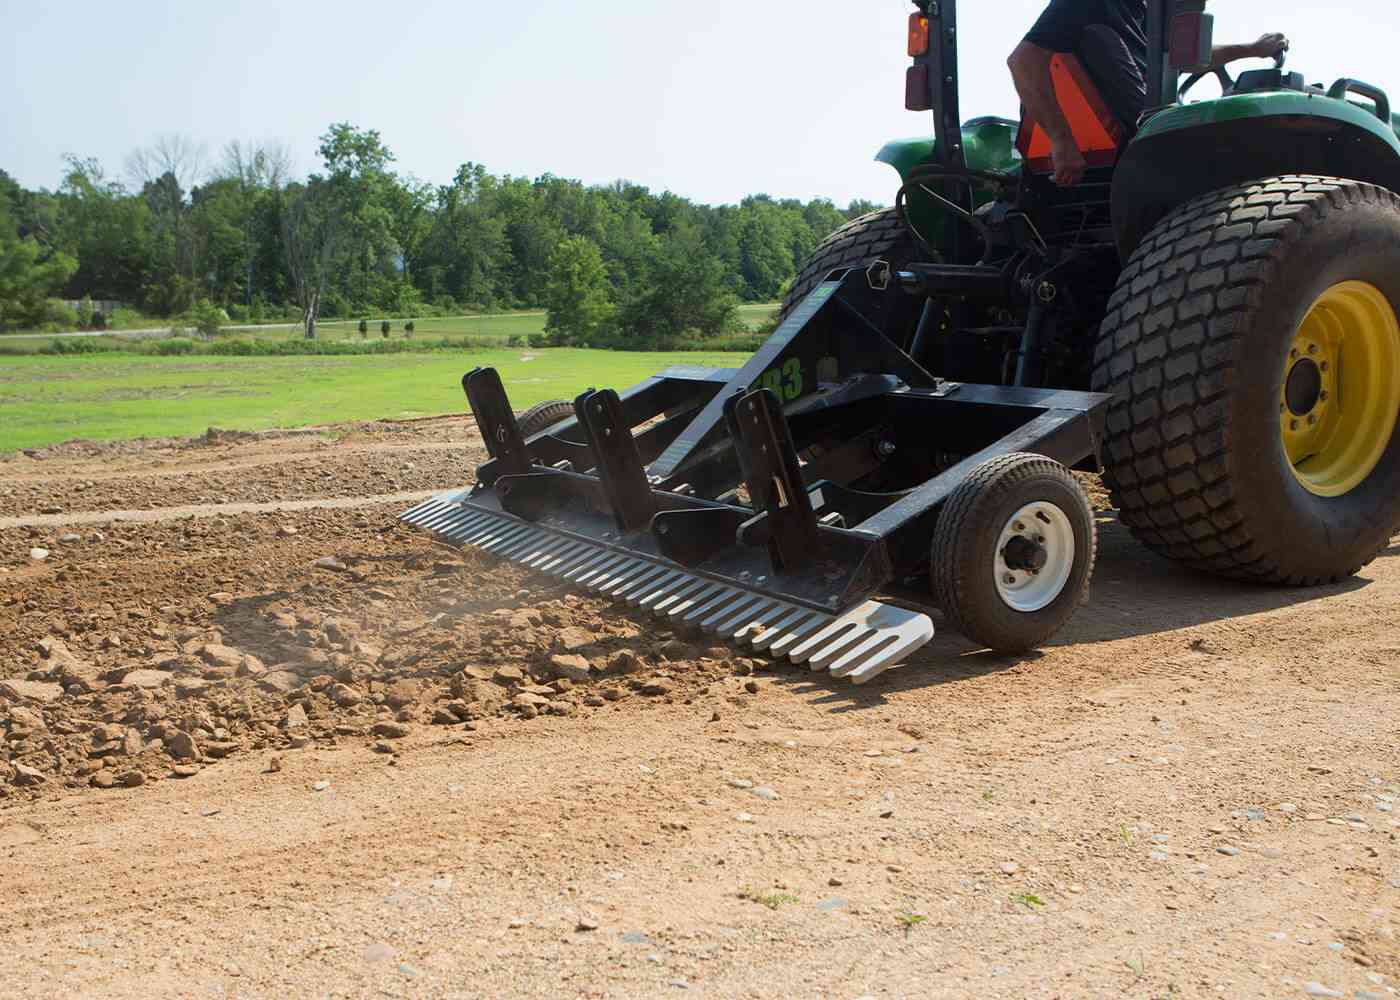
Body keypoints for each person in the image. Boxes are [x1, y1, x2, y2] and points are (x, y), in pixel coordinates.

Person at [1008, 1, 1289, 185]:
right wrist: (1061, 140)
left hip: (1141, 141)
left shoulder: (1142, 12)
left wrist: (1251, 49)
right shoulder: (1088, 4)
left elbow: (1185, 59)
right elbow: (1023, 60)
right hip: (1136, 149)